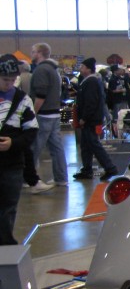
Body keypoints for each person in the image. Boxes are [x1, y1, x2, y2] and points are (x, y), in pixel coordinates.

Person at [0, 54, 40, 245]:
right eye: (4, 80)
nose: (9, 84)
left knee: (8, 207)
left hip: (12, 164)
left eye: (12, 80)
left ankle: (6, 245)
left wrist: (13, 144)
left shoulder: (23, 99)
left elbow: (31, 131)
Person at [30, 42, 68, 186]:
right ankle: (61, 178)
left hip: (43, 115)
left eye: (33, 51)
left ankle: (29, 179)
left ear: (39, 53)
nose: (32, 54)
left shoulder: (41, 70)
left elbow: (41, 95)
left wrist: (33, 113)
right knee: (57, 148)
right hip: (54, 114)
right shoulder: (54, 70)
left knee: (34, 147)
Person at [73, 57, 118, 181]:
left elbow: (91, 102)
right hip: (91, 118)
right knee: (86, 145)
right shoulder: (89, 81)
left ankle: (110, 167)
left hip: (90, 119)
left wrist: (84, 118)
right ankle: (87, 169)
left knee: (93, 144)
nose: (80, 69)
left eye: (82, 67)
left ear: (88, 69)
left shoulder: (91, 82)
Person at [15, 60, 54, 194]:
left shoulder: (19, 82)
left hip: (19, 120)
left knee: (27, 151)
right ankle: (32, 181)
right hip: (23, 118)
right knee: (28, 150)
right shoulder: (30, 77)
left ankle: (31, 180)